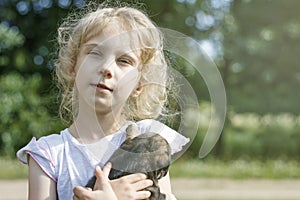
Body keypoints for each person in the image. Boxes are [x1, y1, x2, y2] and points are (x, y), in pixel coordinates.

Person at [17, 4, 189, 200]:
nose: (106, 68)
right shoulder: (49, 155)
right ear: (73, 65)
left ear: (139, 85)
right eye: (95, 53)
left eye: (124, 61)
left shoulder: (148, 140)